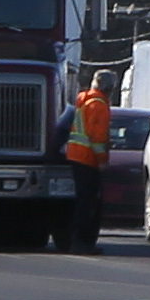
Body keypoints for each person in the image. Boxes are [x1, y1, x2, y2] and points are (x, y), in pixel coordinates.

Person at [62, 68, 115, 254]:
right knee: (89, 203)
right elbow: (97, 138)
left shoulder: (84, 100)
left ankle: (78, 240)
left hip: (77, 156)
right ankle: (82, 242)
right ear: (110, 88)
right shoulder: (98, 105)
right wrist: (102, 160)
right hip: (87, 159)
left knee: (84, 201)